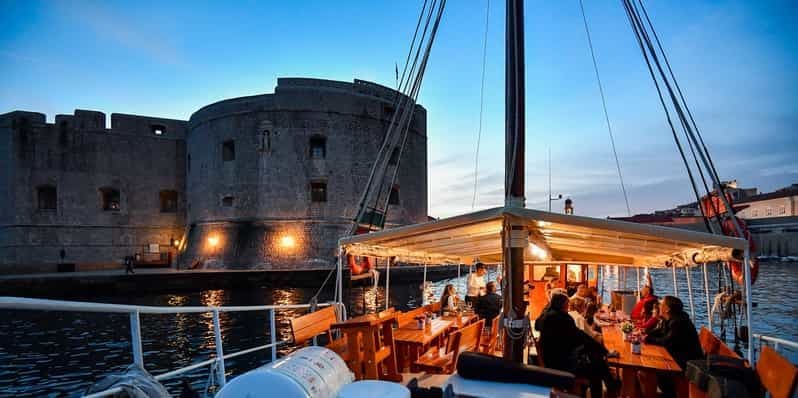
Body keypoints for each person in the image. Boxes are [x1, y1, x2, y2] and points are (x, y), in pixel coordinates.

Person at [535, 293, 618, 397]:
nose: (568, 306)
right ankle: (610, 385)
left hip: (552, 361)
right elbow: (580, 336)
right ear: (562, 305)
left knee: (594, 355)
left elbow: (576, 338)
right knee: (596, 369)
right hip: (563, 364)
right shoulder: (561, 318)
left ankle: (610, 383)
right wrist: (604, 351)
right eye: (567, 303)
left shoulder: (546, 316)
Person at [644, 295, 704, 396]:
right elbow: (660, 332)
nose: (659, 305)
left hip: (688, 361)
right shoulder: (669, 319)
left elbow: (667, 342)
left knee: (658, 368)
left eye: (661, 304)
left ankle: (669, 394)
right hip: (678, 354)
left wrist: (648, 339)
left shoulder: (678, 322)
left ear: (667, 309)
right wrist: (646, 334)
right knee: (652, 364)